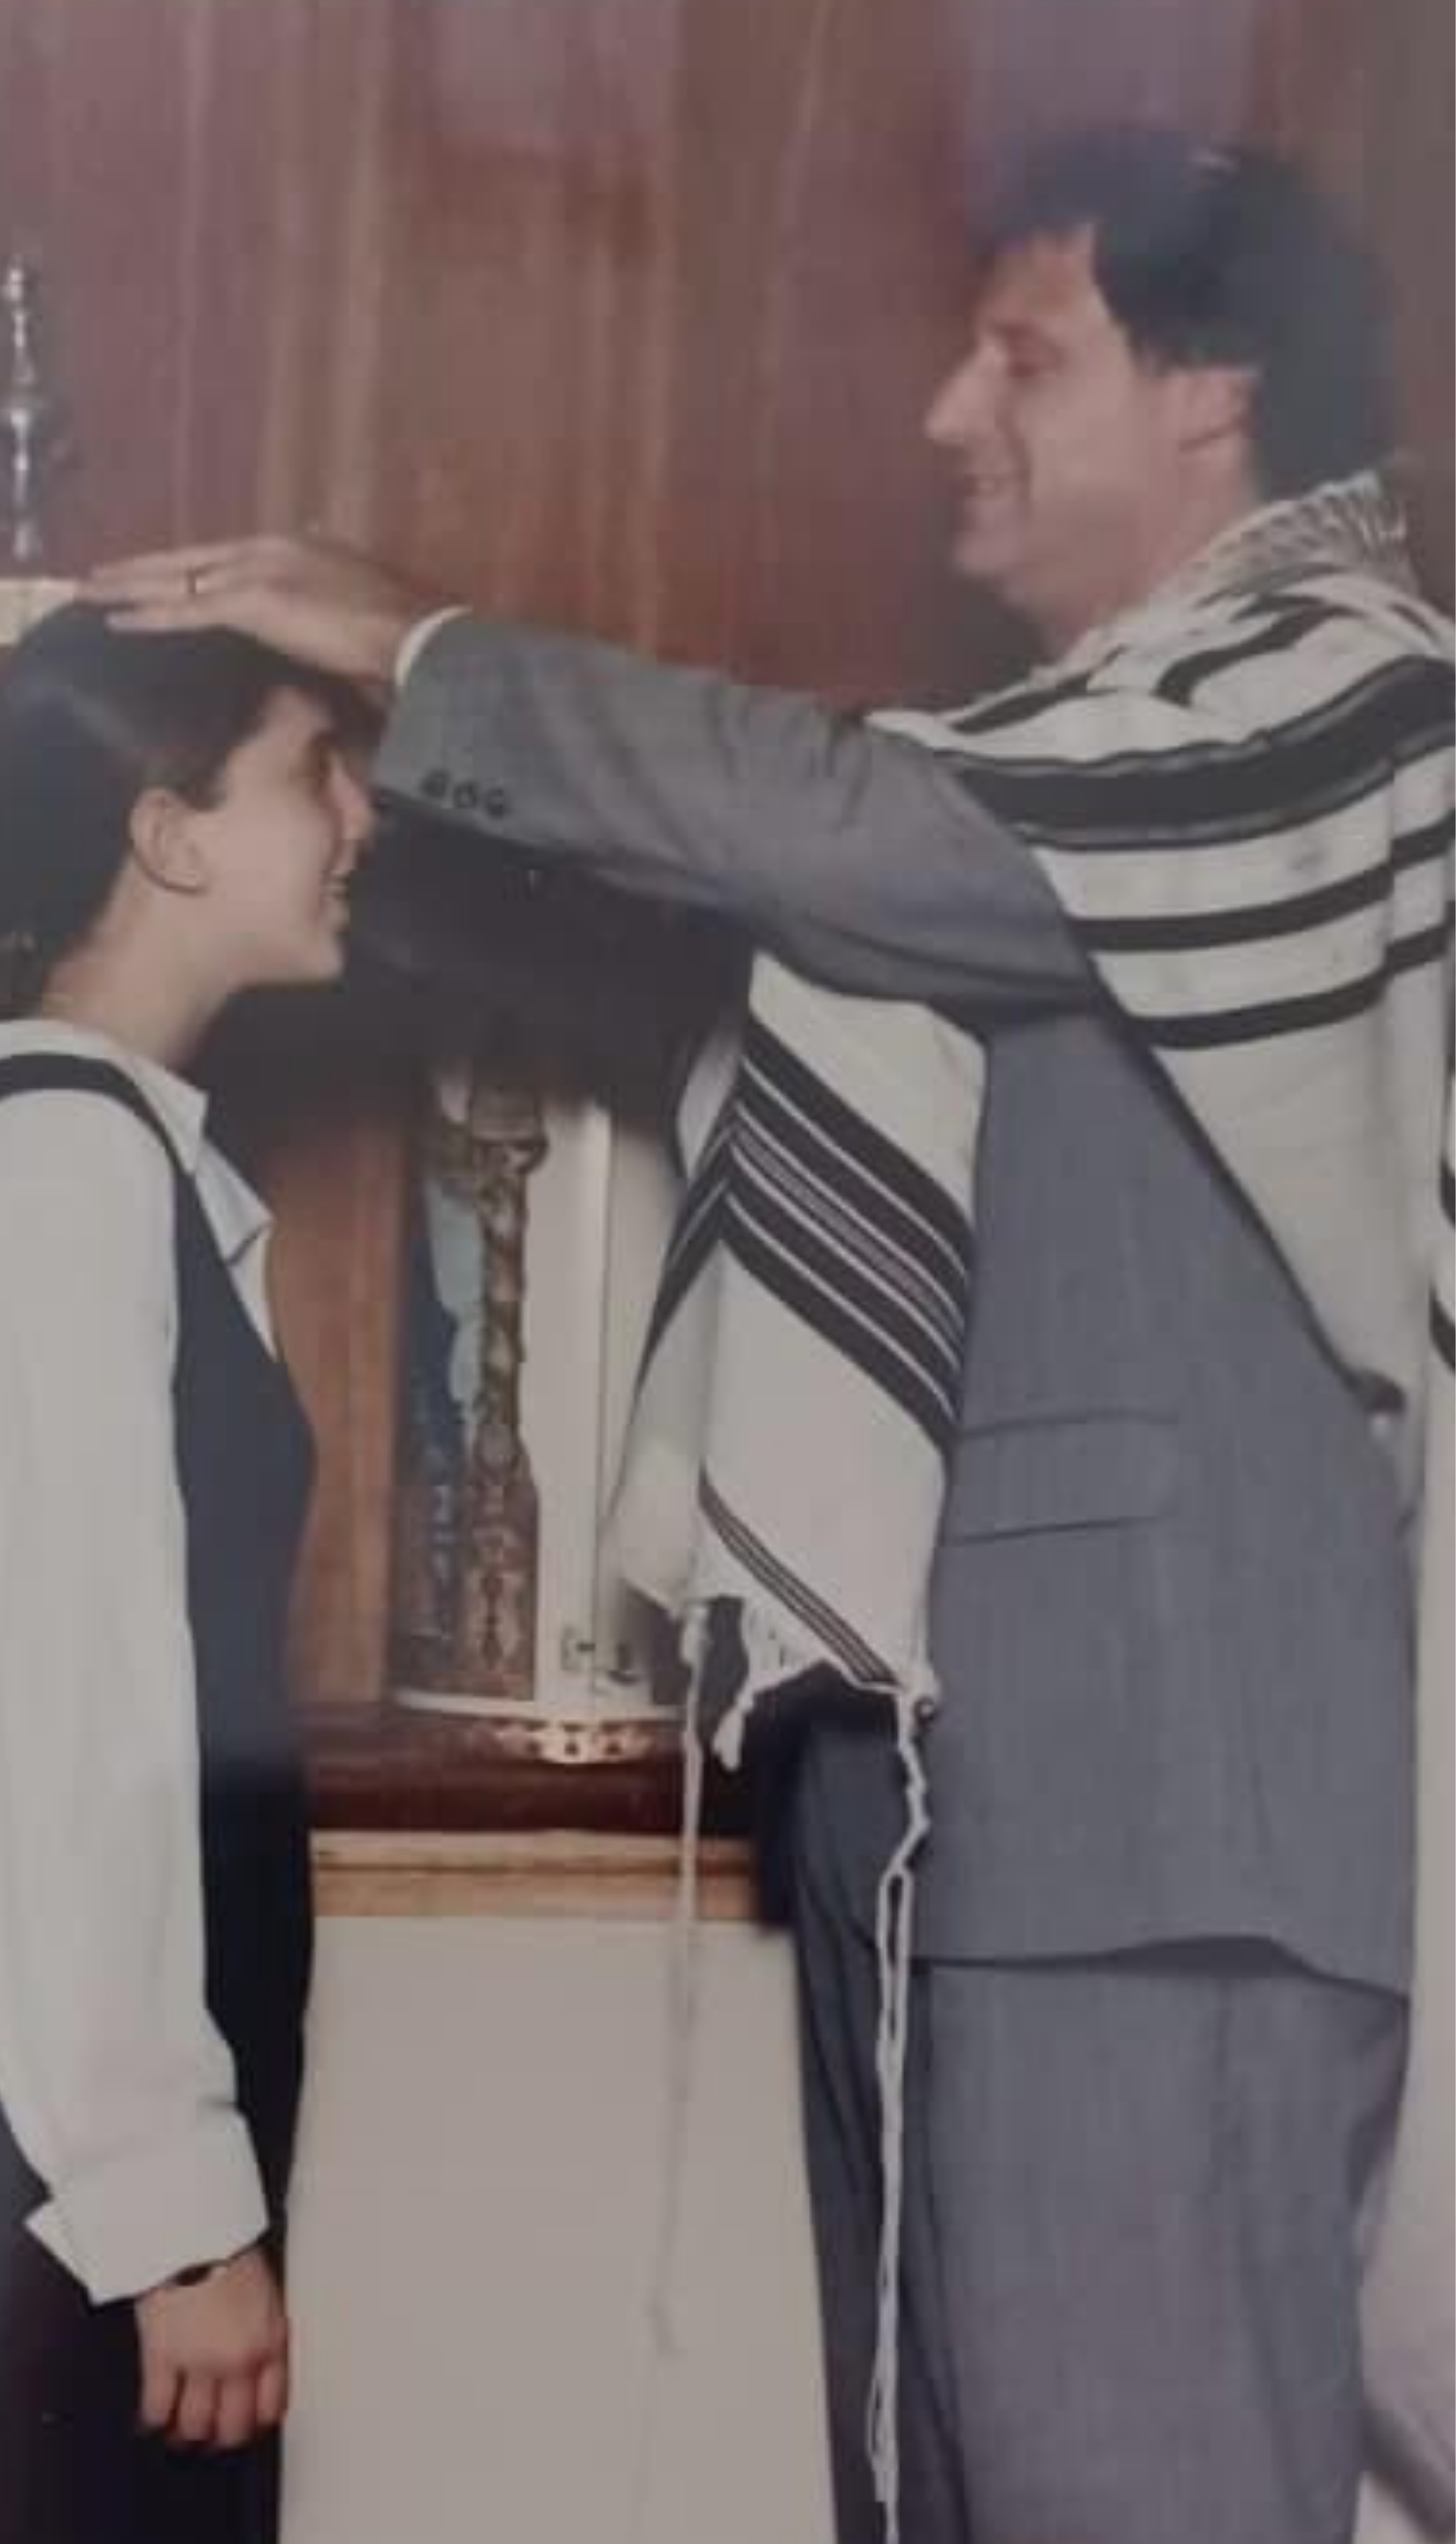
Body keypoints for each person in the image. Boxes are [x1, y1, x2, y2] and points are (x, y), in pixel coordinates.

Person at [103, 129, 1450, 2542]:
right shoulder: (1084, 746)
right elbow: (768, 916)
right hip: (963, 1811)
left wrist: (431, 654)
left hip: (1153, 1850)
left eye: (1019, 359)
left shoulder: (1340, 693)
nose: (948, 415)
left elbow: (859, 839)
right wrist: (296, 823)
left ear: (1219, 389)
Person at [0, 607, 371, 2543]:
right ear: (168, 834)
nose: (359, 821)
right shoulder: (62, 1163)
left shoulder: (124, 1151)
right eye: (316, 773)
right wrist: (170, 2206)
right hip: (78, 2182)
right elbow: (71, 1707)